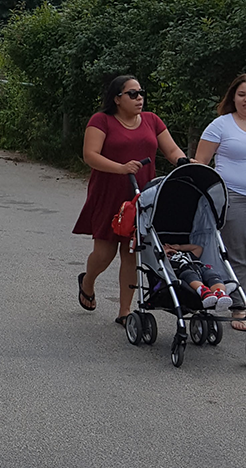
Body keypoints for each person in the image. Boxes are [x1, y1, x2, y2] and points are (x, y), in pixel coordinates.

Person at [73, 75, 189, 325]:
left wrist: (183, 163)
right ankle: (88, 281)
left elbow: (171, 150)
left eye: (141, 93)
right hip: (109, 193)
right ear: (117, 98)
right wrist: (121, 168)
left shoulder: (151, 120)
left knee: (131, 252)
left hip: (142, 196)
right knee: (104, 254)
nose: (140, 98)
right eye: (133, 94)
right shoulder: (101, 121)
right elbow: (90, 155)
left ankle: (124, 311)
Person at [191, 74, 246, 330]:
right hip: (232, 196)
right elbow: (200, 163)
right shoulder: (220, 126)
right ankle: (239, 307)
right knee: (236, 252)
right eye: (242, 95)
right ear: (233, 97)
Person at [162, 243, 234, 310]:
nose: (167, 246)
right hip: (184, 270)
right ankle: (204, 291)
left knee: (212, 276)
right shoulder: (167, 260)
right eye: (164, 246)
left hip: (201, 268)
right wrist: (164, 252)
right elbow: (157, 260)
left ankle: (219, 293)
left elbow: (198, 248)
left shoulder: (188, 254)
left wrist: (180, 247)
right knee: (191, 276)